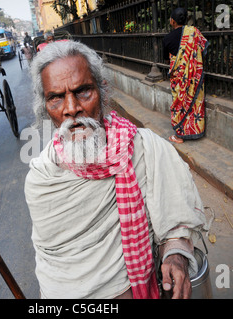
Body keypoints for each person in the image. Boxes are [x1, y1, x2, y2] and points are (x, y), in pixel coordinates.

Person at [25, 41, 206, 299]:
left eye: (83, 91)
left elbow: (175, 217)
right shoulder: (42, 179)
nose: (71, 108)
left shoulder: (144, 148)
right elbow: (53, 266)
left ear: (103, 91)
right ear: (45, 108)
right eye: (56, 98)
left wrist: (176, 255)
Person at [162, 8, 208, 144]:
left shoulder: (167, 39)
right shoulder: (194, 32)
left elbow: (167, 59)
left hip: (178, 78)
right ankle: (196, 131)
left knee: (180, 103)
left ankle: (179, 135)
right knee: (195, 103)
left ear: (173, 21)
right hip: (194, 76)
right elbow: (203, 49)